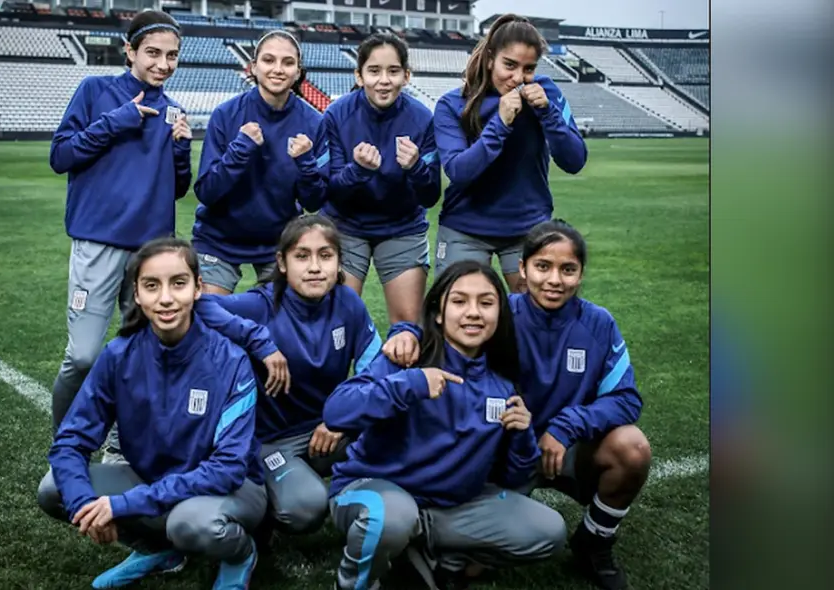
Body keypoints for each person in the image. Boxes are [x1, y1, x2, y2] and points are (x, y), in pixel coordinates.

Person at [383, 220, 651, 590]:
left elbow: (626, 398)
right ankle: (443, 540)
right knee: (468, 570)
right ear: (522, 269)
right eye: (543, 266)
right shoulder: (498, 314)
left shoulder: (599, 324)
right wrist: (406, 332)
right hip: (500, 454)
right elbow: (440, 327)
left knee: (632, 448)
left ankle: (595, 542)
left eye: (568, 269)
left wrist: (565, 426)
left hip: (563, 448)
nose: (555, 279)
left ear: (580, 274)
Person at [36, 237, 267, 589]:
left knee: (189, 524)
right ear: (137, 294)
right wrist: (85, 504)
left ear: (197, 289)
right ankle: (156, 549)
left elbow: (228, 469)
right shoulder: (119, 355)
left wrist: (124, 504)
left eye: (178, 283)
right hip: (153, 481)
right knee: (55, 489)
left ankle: (240, 553)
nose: (165, 298)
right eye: (151, 285)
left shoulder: (231, 361)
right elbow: (70, 441)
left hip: (231, 488)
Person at [324, 260, 566, 590]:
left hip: (444, 512)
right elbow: (337, 411)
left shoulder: (502, 387)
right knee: (392, 516)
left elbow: (514, 478)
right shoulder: (408, 357)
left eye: (486, 302)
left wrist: (523, 434)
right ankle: (355, 582)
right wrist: (411, 384)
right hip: (373, 492)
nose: (473, 312)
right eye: (459, 301)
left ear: (499, 314)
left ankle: (426, 551)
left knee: (549, 531)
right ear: (438, 312)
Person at [47, 10, 194, 433]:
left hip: (151, 254)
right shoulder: (96, 91)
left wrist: (181, 150)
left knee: (142, 357)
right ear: (129, 51)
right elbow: (61, 156)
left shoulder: (174, 111)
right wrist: (118, 121)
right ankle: (67, 446)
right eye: (152, 53)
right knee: (83, 356)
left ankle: (123, 443)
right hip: (98, 243)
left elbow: (176, 188)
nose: (163, 64)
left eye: (172, 55)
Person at [198, 215, 383, 541]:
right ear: (282, 262)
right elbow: (197, 304)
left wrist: (342, 420)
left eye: (325, 256)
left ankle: (387, 519)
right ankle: (260, 508)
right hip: (269, 441)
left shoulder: (348, 303)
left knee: (393, 426)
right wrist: (260, 341)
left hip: (327, 430)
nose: (315, 267)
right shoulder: (260, 305)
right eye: (302, 256)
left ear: (339, 261)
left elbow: (376, 371)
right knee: (306, 508)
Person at [432, 14, 587, 294]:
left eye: (528, 69)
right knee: (459, 323)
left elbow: (575, 160)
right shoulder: (452, 104)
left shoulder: (546, 92)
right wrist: (500, 123)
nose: (518, 78)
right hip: (465, 228)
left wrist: (548, 113)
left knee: (534, 325)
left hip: (528, 229)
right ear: (491, 58)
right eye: (510, 65)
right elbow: (458, 171)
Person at [193, 29, 328, 296]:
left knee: (283, 327)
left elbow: (314, 201)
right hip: (218, 239)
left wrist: (306, 163)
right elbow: (207, 192)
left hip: (278, 243)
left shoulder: (313, 122)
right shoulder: (226, 114)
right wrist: (241, 149)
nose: (278, 69)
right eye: (268, 60)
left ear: (299, 71)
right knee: (209, 322)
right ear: (253, 67)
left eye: (287, 62)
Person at [321, 33, 440, 324]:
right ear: (359, 76)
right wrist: (357, 170)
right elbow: (329, 191)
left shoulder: (422, 118)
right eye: (374, 71)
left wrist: (415, 167)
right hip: (345, 225)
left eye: (393, 71)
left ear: (406, 76)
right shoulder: (337, 114)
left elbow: (431, 195)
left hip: (402, 227)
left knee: (408, 324)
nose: (384, 80)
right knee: (336, 322)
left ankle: (404, 370)